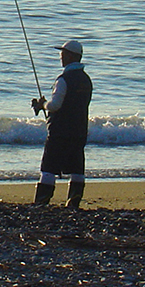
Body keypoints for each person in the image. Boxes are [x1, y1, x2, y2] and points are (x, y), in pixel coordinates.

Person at [31, 39, 93, 208]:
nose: (61, 56)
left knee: (49, 167)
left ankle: (42, 202)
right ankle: (74, 202)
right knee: (76, 167)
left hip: (59, 132)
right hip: (79, 130)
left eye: (63, 53)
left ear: (71, 56)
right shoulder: (86, 80)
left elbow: (55, 106)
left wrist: (43, 104)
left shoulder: (63, 79)